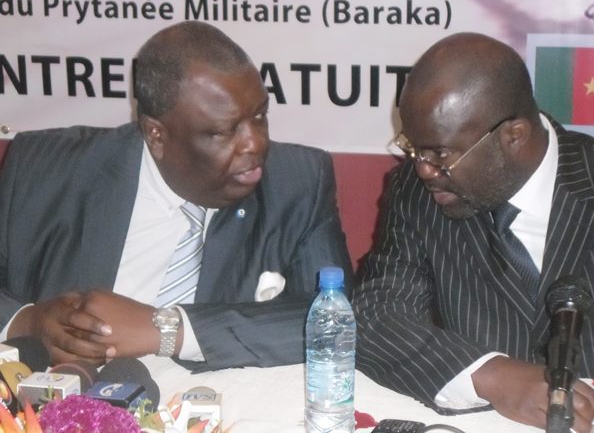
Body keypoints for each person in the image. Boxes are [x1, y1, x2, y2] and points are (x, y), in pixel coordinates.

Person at [0, 21, 352, 369]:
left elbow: (335, 321)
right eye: (223, 131)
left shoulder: (297, 182)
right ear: (156, 135)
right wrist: (27, 322)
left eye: (260, 115)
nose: (255, 143)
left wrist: (168, 331)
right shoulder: (45, 169)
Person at [353, 32, 594, 432]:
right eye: (414, 149)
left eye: (441, 153)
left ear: (514, 136)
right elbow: (376, 314)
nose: (423, 169)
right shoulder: (415, 193)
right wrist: (492, 375)